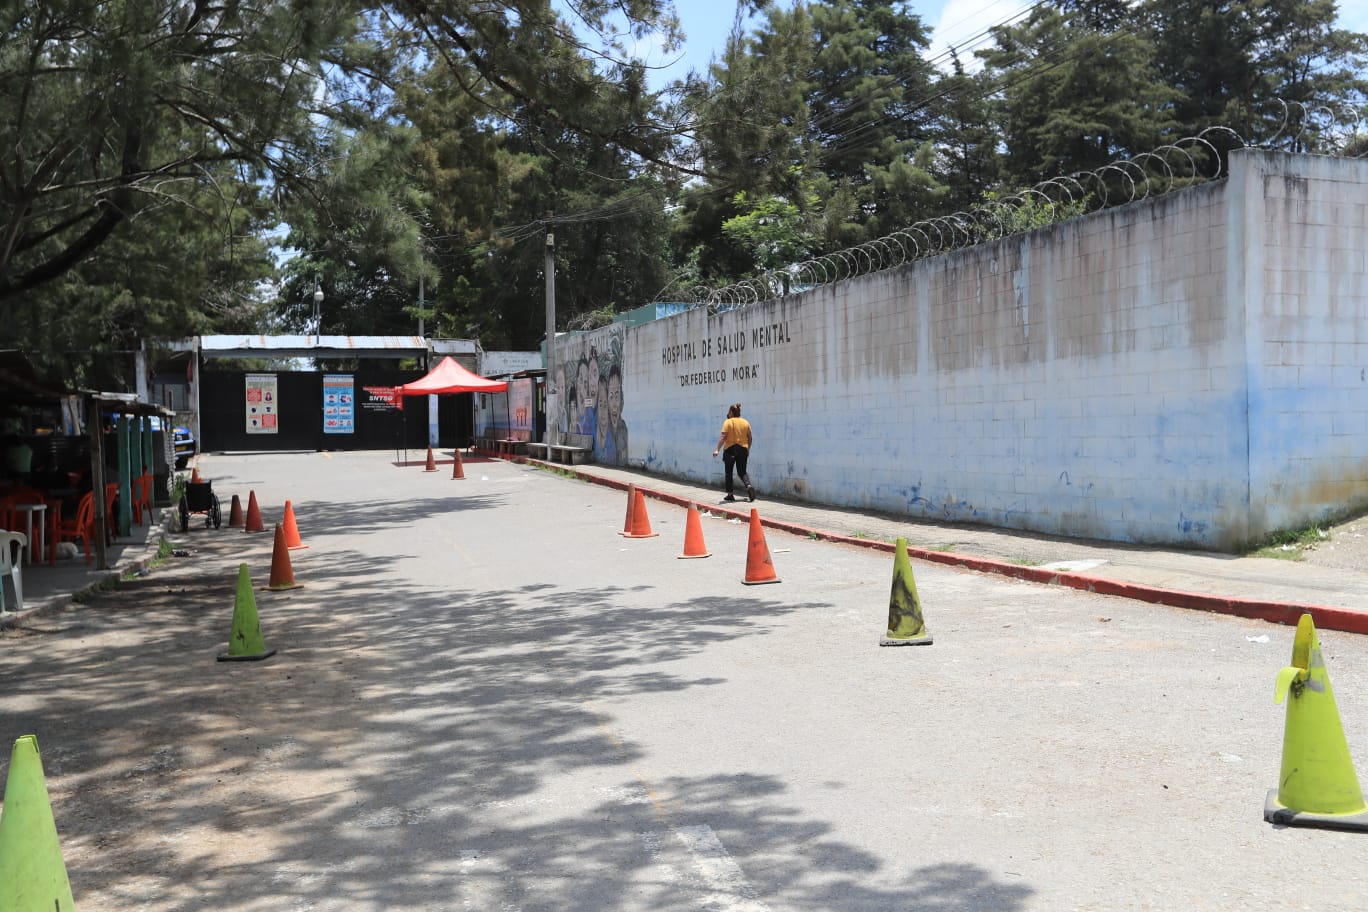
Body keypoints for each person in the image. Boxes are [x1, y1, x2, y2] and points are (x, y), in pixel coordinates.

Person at [712, 402, 754, 503]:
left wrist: (717, 449)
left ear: (731, 412)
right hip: (743, 449)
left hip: (730, 449)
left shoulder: (728, 422)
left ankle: (730, 495)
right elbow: (750, 438)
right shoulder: (745, 422)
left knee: (729, 472)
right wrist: (748, 449)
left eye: (729, 411)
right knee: (742, 471)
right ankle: (748, 486)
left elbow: (723, 437)